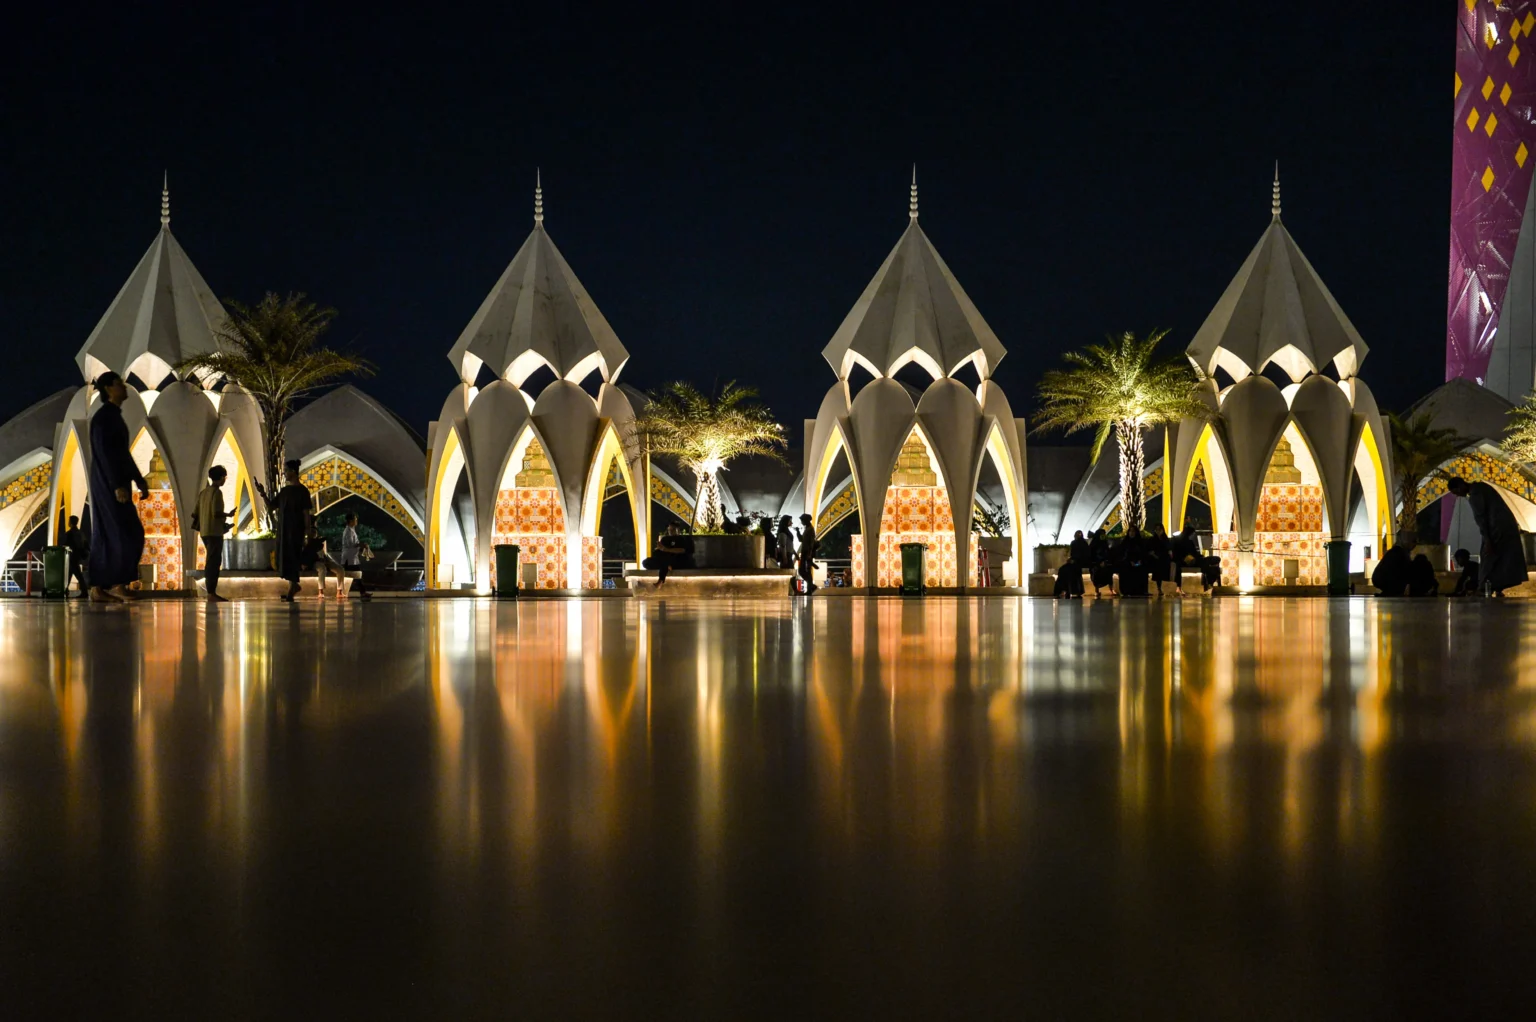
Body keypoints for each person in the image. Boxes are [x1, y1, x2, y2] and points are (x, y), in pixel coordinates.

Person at [85, 372, 149, 602]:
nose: (124, 387)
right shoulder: (103, 418)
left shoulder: (114, 417)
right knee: (113, 532)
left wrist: (139, 480)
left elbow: (123, 454)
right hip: (107, 482)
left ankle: (115, 583)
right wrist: (115, 486)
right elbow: (103, 453)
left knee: (127, 532)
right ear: (109, 388)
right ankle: (101, 587)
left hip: (117, 482)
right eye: (119, 383)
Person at [1447, 476, 1530, 595]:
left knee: (1489, 557)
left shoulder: (1475, 495)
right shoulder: (1482, 487)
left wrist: (1487, 540)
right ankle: (1497, 587)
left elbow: (1481, 519)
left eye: (1456, 492)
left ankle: (1484, 587)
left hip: (1496, 529)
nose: (1457, 495)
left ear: (1461, 486)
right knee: (1503, 559)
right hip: (1506, 527)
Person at [274, 459, 313, 602]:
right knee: (285, 556)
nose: (284, 473)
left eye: (286, 470)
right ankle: (293, 586)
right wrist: (262, 494)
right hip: (284, 529)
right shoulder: (284, 491)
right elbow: (272, 505)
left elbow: (306, 512)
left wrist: (308, 531)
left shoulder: (302, 491)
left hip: (296, 529)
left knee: (293, 556)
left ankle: (293, 587)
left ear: (293, 472)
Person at [195, 465, 235, 603]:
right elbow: (216, 513)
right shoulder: (216, 493)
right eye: (225, 477)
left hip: (205, 531)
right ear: (222, 477)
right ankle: (211, 593)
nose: (225, 480)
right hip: (214, 532)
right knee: (214, 562)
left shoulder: (203, 492)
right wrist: (228, 515)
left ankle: (211, 592)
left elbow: (195, 513)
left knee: (210, 561)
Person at [336, 512, 372, 600]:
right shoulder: (348, 531)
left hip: (351, 557)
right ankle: (362, 592)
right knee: (356, 574)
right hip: (349, 557)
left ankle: (361, 592)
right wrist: (361, 545)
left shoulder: (351, 530)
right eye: (355, 519)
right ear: (351, 521)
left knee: (354, 574)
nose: (356, 521)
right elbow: (351, 544)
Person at [1116, 524, 1149, 597]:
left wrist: (1140, 561)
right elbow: (1122, 554)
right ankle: (1127, 590)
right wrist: (1130, 561)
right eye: (1130, 531)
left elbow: (1143, 553)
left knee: (1143, 569)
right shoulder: (1125, 542)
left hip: (1139, 562)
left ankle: (1141, 590)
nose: (1132, 533)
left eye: (1133, 531)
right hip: (1127, 563)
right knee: (1125, 568)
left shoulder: (1140, 542)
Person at [62, 514, 89, 595]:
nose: (68, 522)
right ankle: (65, 590)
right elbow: (86, 544)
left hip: (72, 556)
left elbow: (66, 544)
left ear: (71, 522)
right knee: (69, 574)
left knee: (77, 575)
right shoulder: (80, 533)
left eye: (69, 521)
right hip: (78, 556)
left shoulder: (70, 533)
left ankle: (84, 592)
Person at [1145, 523, 1171, 598]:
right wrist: (1154, 555)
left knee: (1163, 564)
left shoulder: (1165, 539)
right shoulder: (1152, 540)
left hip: (1163, 558)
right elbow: (1149, 550)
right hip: (1154, 559)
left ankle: (1161, 586)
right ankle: (1159, 587)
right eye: (1156, 530)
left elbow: (1168, 549)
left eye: (1159, 530)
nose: (1158, 531)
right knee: (1158, 566)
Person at [1088, 529, 1114, 596]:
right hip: (1095, 563)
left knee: (1109, 571)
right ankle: (1097, 590)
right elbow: (1091, 555)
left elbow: (1108, 554)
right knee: (1097, 572)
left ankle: (1111, 589)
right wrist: (1098, 562)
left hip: (1105, 562)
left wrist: (1105, 561)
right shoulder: (1093, 545)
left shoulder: (1105, 543)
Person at [797, 513, 818, 593]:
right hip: (805, 552)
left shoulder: (810, 529)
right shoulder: (807, 529)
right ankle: (811, 586)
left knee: (805, 571)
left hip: (807, 552)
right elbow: (801, 540)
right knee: (803, 570)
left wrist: (809, 554)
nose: (801, 522)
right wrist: (798, 532)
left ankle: (810, 588)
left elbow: (811, 543)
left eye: (802, 520)